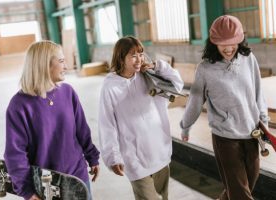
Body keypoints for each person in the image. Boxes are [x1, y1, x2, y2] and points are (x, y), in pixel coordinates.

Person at [180, 15, 269, 200]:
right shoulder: (205, 69)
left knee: (240, 189)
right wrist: (185, 126)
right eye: (223, 44)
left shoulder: (248, 59)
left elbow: (258, 93)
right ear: (213, 43)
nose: (228, 48)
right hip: (225, 138)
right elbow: (195, 101)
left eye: (233, 43)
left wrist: (264, 124)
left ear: (240, 40)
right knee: (240, 193)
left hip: (252, 134)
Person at [4, 40, 100, 200]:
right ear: (45, 65)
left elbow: (82, 130)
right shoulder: (19, 105)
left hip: (77, 177)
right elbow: (15, 154)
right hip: (45, 184)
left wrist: (92, 157)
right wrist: (27, 191)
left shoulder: (68, 92)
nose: (66, 66)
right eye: (61, 61)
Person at [98, 36, 183, 200]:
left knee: (163, 197)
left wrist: (157, 66)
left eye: (141, 54)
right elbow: (106, 124)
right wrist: (112, 156)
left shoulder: (148, 76)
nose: (139, 59)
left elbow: (177, 85)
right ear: (121, 57)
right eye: (133, 55)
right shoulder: (111, 86)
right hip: (134, 158)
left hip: (159, 151)